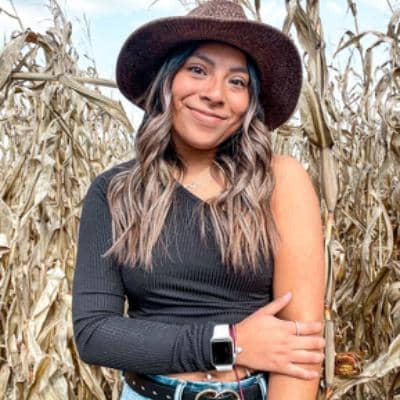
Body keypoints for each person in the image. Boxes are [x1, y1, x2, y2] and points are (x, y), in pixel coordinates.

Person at [72, 1, 326, 399]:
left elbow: (301, 349)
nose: (215, 94)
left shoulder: (279, 181)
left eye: (237, 82)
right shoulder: (114, 191)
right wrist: (228, 343)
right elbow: (95, 334)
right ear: (167, 81)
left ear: (251, 102)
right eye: (197, 70)